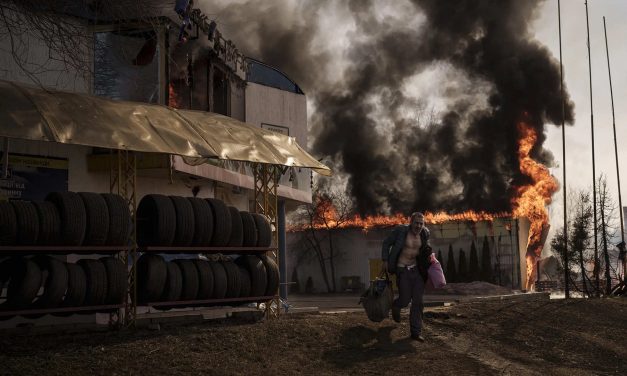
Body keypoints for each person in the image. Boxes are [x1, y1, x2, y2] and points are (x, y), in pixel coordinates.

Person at [381, 212, 431, 342]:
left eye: (421, 223)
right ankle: (396, 306)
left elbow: (425, 250)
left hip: (417, 271)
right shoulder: (401, 231)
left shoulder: (425, 233)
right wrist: (385, 260)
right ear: (411, 222)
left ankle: (416, 332)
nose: (418, 226)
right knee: (405, 299)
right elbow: (386, 243)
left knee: (418, 301)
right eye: (416, 223)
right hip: (402, 270)